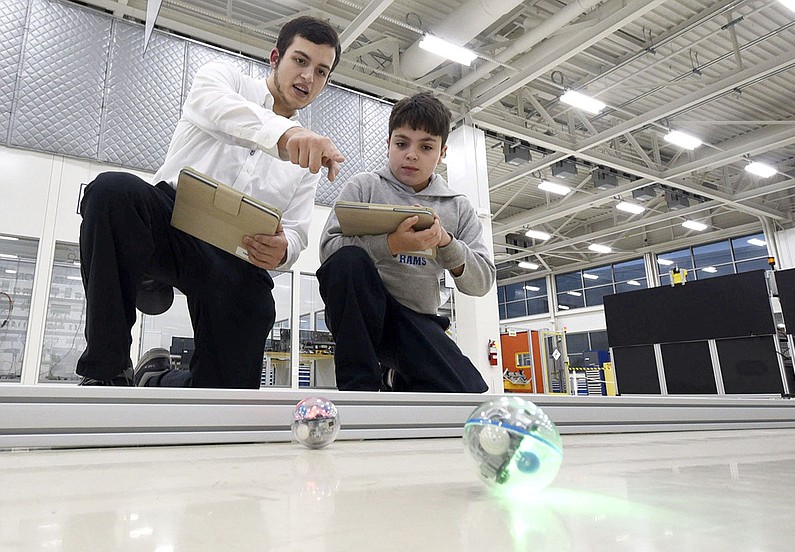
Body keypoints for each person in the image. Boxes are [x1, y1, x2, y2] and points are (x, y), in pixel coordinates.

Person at [77, 16, 343, 388]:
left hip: (230, 253)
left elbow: (298, 232)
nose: (308, 78)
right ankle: (106, 370)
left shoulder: (310, 157)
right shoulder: (226, 79)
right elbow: (215, 108)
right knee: (111, 192)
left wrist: (283, 251)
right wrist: (286, 134)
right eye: (300, 61)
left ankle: (157, 379)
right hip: (167, 221)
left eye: (321, 71)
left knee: (227, 388)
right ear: (275, 57)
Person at [317, 92, 494, 392]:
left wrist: (445, 243)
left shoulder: (458, 207)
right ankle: (358, 391)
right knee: (349, 260)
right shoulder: (363, 186)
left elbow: (481, 282)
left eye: (426, 147)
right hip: (360, 318)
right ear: (388, 145)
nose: (411, 154)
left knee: (469, 391)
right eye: (402, 144)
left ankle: (395, 375)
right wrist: (391, 244)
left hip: (415, 322)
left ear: (442, 153)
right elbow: (328, 255)